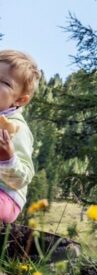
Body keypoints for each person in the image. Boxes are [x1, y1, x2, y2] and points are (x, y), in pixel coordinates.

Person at [0, 50, 40, 223]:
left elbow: (22, 180)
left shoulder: (16, 128)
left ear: (20, 100)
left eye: (4, 83)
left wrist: (7, 159)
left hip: (6, 197)